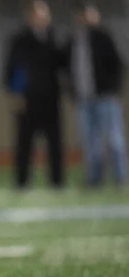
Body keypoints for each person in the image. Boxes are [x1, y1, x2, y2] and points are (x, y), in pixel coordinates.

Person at [4, 0, 65, 190]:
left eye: (44, 12)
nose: (42, 16)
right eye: (38, 13)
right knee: (24, 143)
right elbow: (11, 69)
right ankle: (22, 182)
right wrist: (15, 94)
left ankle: (57, 181)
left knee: (55, 142)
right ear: (30, 15)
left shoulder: (55, 38)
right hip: (27, 99)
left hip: (50, 99)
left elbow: (63, 65)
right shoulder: (19, 40)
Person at [65, 2, 127, 188]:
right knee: (90, 141)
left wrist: (114, 90)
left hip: (105, 97)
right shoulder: (73, 41)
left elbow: (118, 65)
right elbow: (67, 69)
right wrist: (73, 92)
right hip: (84, 99)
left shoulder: (104, 37)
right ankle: (94, 179)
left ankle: (120, 178)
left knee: (114, 138)